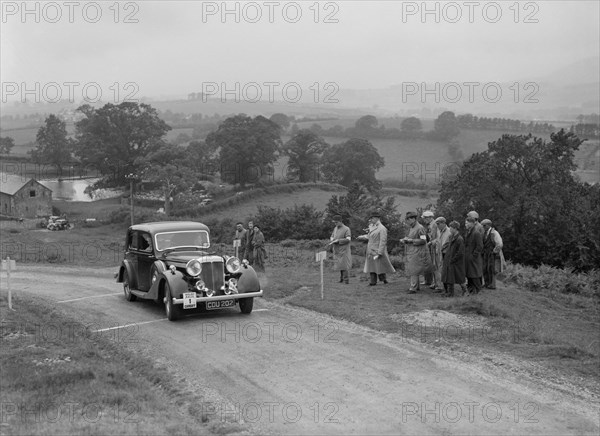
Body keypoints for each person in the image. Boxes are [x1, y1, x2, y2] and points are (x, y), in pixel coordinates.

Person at [358, 211, 395, 286]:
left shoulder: (382, 228)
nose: (370, 220)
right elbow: (369, 236)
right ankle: (373, 282)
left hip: (377, 250)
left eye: (372, 218)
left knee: (379, 266)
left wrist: (380, 252)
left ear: (376, 218)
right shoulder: (372, 226)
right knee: (371, 266)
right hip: (370, 250)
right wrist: (362, 237)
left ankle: (383, 279)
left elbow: (383, 241)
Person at [401, 211, 433, 294]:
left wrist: (411, 240)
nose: (407, 221)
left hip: (418, 252)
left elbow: (423, 240)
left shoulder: (420, 228)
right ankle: (416, 286)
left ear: (413, 219)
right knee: (413, 269)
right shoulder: (412, 227)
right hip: (412, 251)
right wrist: (406, 239)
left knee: (414, 270)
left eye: (408, 219)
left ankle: (413, 288)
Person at [441, 221, 465, 297]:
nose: (450, 229)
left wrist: (453, 259)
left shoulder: (459, 239)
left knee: (458, 278)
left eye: (451, 228)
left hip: (455, 261)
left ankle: (465, 290)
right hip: (450, 259)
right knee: (449, 277)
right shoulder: (451, 237)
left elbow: (460, 252)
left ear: (455, 228)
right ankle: (449, 293)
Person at [481, 219, 505, 289]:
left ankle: (492, 285)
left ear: (488, 225)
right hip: (485, 253)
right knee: (485, 268)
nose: (483, 227)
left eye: (484, 225)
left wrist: (494, 251)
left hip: (492, 254)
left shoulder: (494, 233)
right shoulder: (484, 233)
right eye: (482, 225)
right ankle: (486, 283)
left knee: (491, 269)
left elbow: (500, 244)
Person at [329, 215, 352, 284]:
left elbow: (348, 239)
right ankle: (341, 279)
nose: (335, 224)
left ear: (340, 221)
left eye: (336, 222)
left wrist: (338, 241)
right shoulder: (335, 228)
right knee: (339, 265)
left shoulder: (346, 229)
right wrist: (332, 239)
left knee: (344, 265)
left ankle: (346, 280)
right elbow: (332, 235)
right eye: (334, 222)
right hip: (337, 250)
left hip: (344, 250)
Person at [431, 216, 451, 293]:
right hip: (439, 253)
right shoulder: (439, 231)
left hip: (445, 254)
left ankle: (447, 289)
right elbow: (438, 240)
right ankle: (442, 287)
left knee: (445, 271)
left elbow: (445, 244)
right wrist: (433, 242)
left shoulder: (448, 231)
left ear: (443, 223)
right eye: (437, 224)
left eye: (438, 224)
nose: (437, 226)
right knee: (440, 270)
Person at [464, 216, 483, 295]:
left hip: (473, 258)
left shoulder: (476, 233)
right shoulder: (468, 232)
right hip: (468, 257)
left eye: (467, 223)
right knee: (469, 274)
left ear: (472, 223)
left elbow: (480, 246)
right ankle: (471, 290)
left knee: (474, 274)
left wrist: (473, 255)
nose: (465, 225)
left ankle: (477, 290)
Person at [422, 210, 438, 289]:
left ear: (429, 218)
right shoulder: (429, 225)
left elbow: (435, 237)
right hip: (431, 246)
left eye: (425, 218)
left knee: (435, 264)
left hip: (434, 247)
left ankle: (435, 282)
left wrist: (429, 243)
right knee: (431, 264)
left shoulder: (434, 225)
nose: (424, 220)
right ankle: (432, 281)